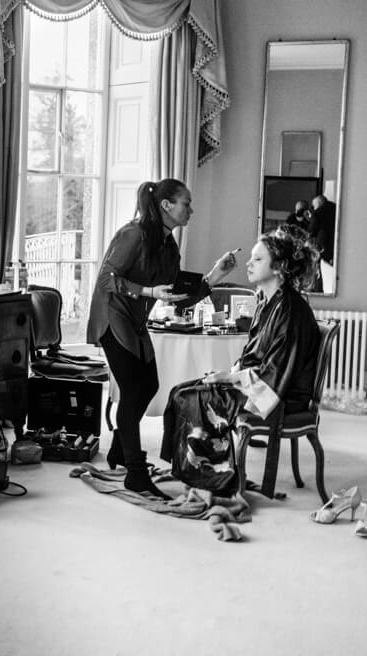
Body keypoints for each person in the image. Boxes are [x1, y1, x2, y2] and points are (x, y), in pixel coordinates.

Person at [86, 179, 238, 499]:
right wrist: (147, 291)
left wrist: (214, 275)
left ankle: (117, 450)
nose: (191, 210)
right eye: (186, 203)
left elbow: (178, 297)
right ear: (166, 205)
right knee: (133, 389)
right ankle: (136, 474)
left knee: (149, 385)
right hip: (112, 316)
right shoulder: (133, 234)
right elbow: (105, 279)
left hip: (136, 321)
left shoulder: (169, 246)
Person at [158, 226, 322, 495]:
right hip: (260, 384)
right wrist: (229, 373)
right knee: (181, 391)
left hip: (279, 396)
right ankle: (186, 469)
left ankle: (212, 478)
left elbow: (276, 376)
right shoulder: (268, 302)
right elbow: (253, 356)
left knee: (194, 397)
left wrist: (227, 378)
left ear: (279, 267)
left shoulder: (291, 311)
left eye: (258, 259)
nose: (248, 263)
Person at [307, 195, 336, 265]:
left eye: (313, 206)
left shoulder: (316, 214)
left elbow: (311, 231)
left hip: (329, 245)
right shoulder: (334, 206)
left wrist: (311, 218)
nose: (313, 208)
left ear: (319, 203)